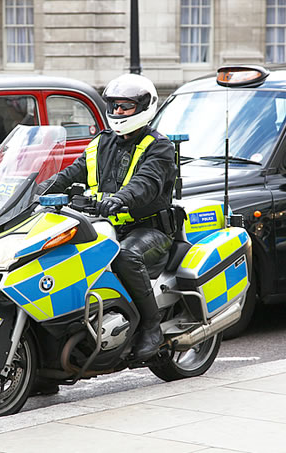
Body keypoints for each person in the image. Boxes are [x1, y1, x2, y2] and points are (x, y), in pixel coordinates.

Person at [42, 73, 177, 361]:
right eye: (114, 106)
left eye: (125, 106)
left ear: (144, 107)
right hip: (102, 227)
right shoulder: (100, 143)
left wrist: (120, 199)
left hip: (148, 230)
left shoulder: (159, 146)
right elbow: (68, 174)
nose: (117, 112)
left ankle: (151, 326)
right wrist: (35, 193)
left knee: (125, 256)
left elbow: (146, 183)